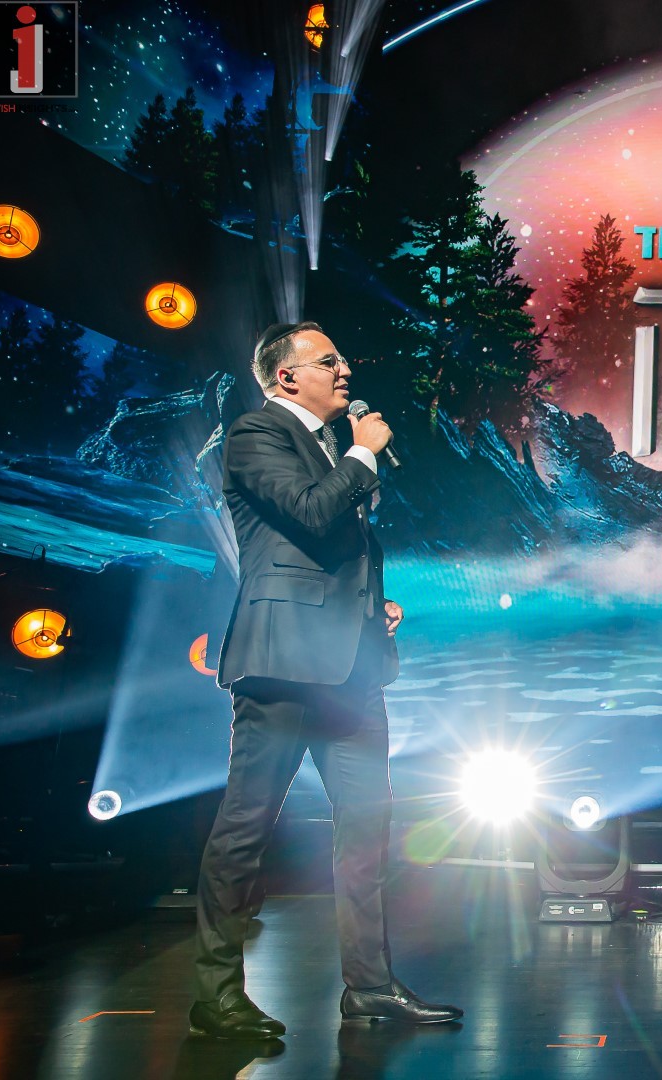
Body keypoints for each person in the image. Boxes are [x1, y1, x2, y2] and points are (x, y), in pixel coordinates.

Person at [188, 322, 462, 1039]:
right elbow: (309, 512)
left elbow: (333, 551)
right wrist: (363, 451)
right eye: (329, 361)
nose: (345, 371)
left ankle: (369, 987)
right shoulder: (256, 433)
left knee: (368, 827)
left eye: (343, 359)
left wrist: (374, 606)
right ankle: (216, 996)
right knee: (246, 826)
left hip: (351, 671)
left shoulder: (328, 447)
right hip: (281, 665)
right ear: (286, 377)